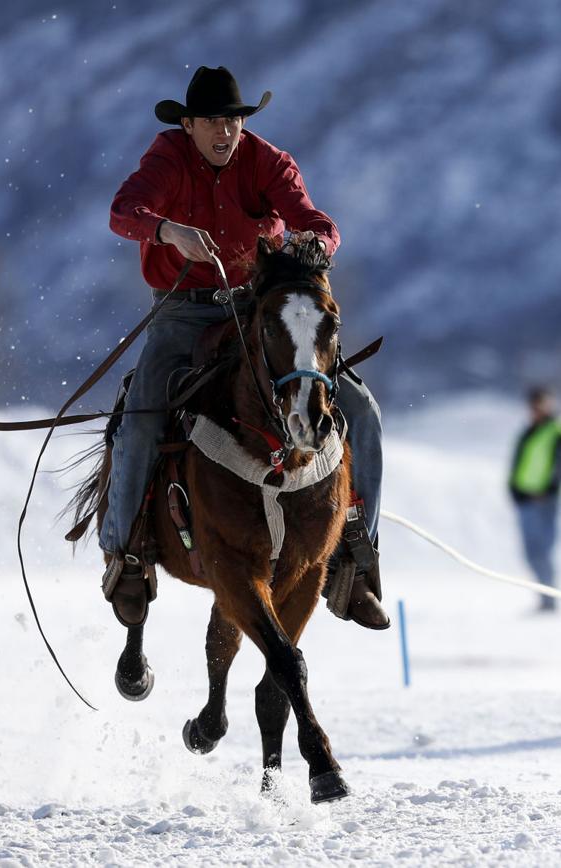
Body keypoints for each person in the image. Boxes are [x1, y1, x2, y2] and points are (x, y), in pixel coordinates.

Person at [101, 66, 389, 631]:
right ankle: (127, 554)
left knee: (363, 412)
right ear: (187, 125)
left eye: (232, 119)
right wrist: (166, 231)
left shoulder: (268, 162)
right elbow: (122, 211)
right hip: (182, 309)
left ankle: (356, 556)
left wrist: (316, 241)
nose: (224, 130)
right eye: (211, 120)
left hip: (258, 308)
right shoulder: (166, 160)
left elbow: (315, 220)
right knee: (139, 418)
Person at [508, 386, 561, 612]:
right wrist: (514, 490)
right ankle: (544, 596)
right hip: (526, 499)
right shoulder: (528, 432)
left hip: (545, 500)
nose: (536, 409)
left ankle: (550, 598)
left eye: (540, 404)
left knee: (543, 551)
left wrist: (549, 488)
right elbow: (519, 463)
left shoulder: (558, 430)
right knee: (531, 552)